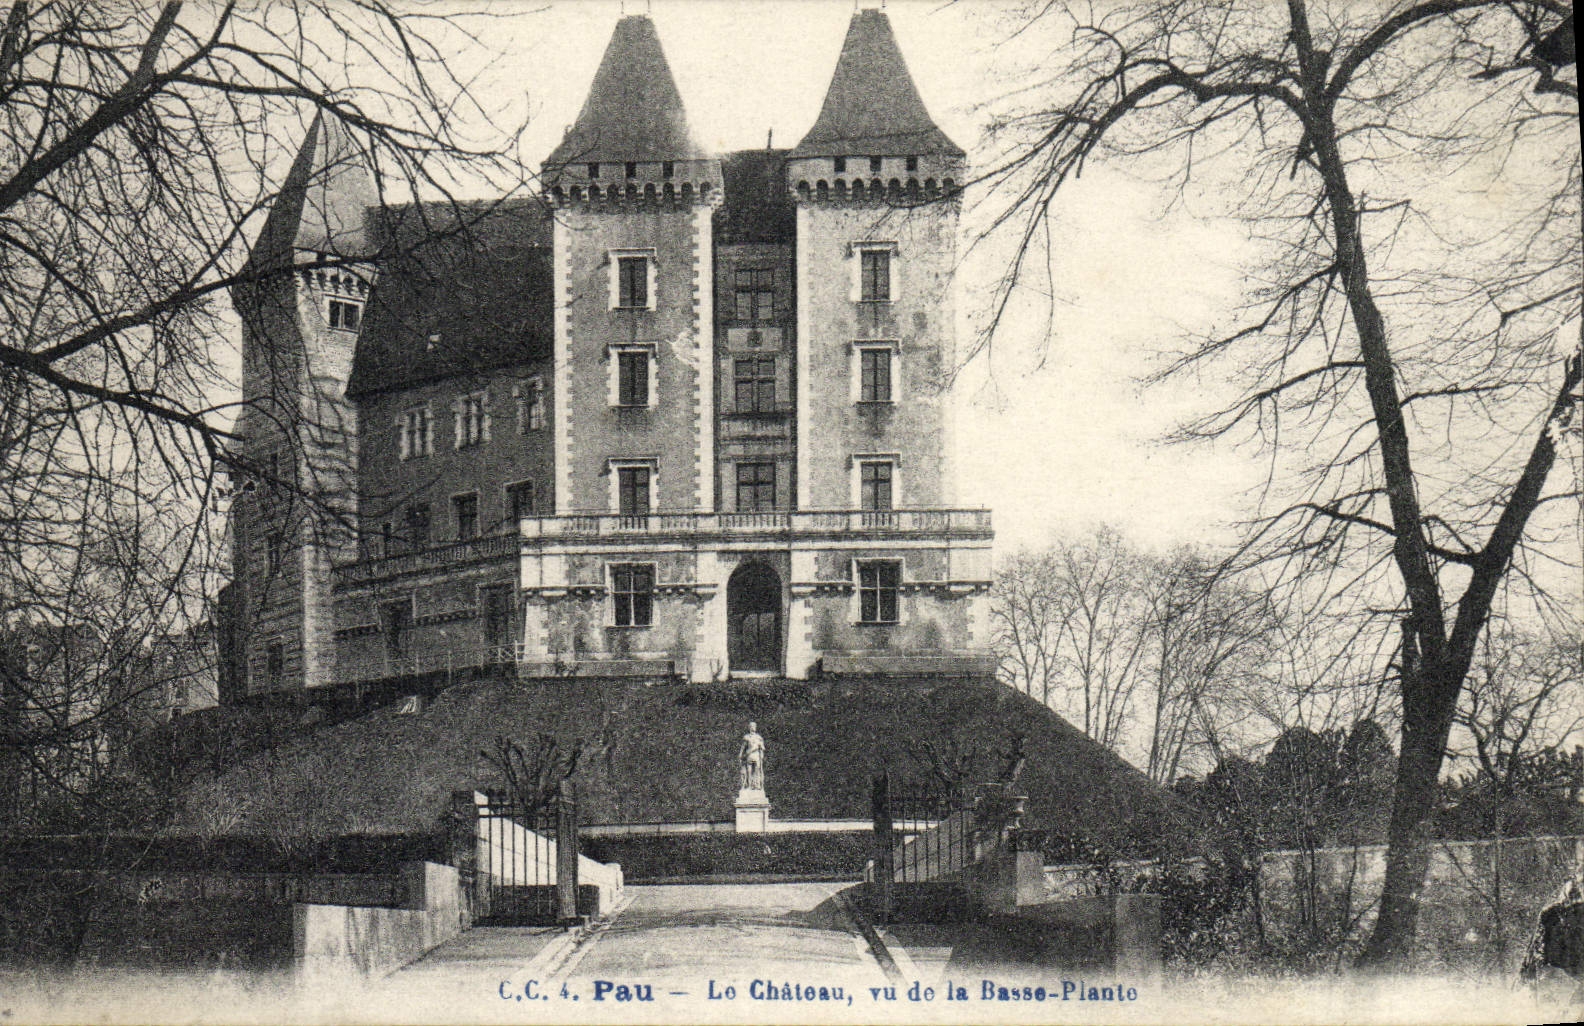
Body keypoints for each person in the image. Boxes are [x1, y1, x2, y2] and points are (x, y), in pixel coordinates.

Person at [739, 721, 765, 791]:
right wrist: (740, 755)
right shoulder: (746, 737)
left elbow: (762, 748)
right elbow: (743, 747)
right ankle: (749, 786)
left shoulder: (759, 737)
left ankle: (756, 785)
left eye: (754, 726)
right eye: (751, 726)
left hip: (756, 756)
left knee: (757, 771)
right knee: (749, 771)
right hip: (749, 756)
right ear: (749, 727)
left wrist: (761, 751)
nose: (753, 728)